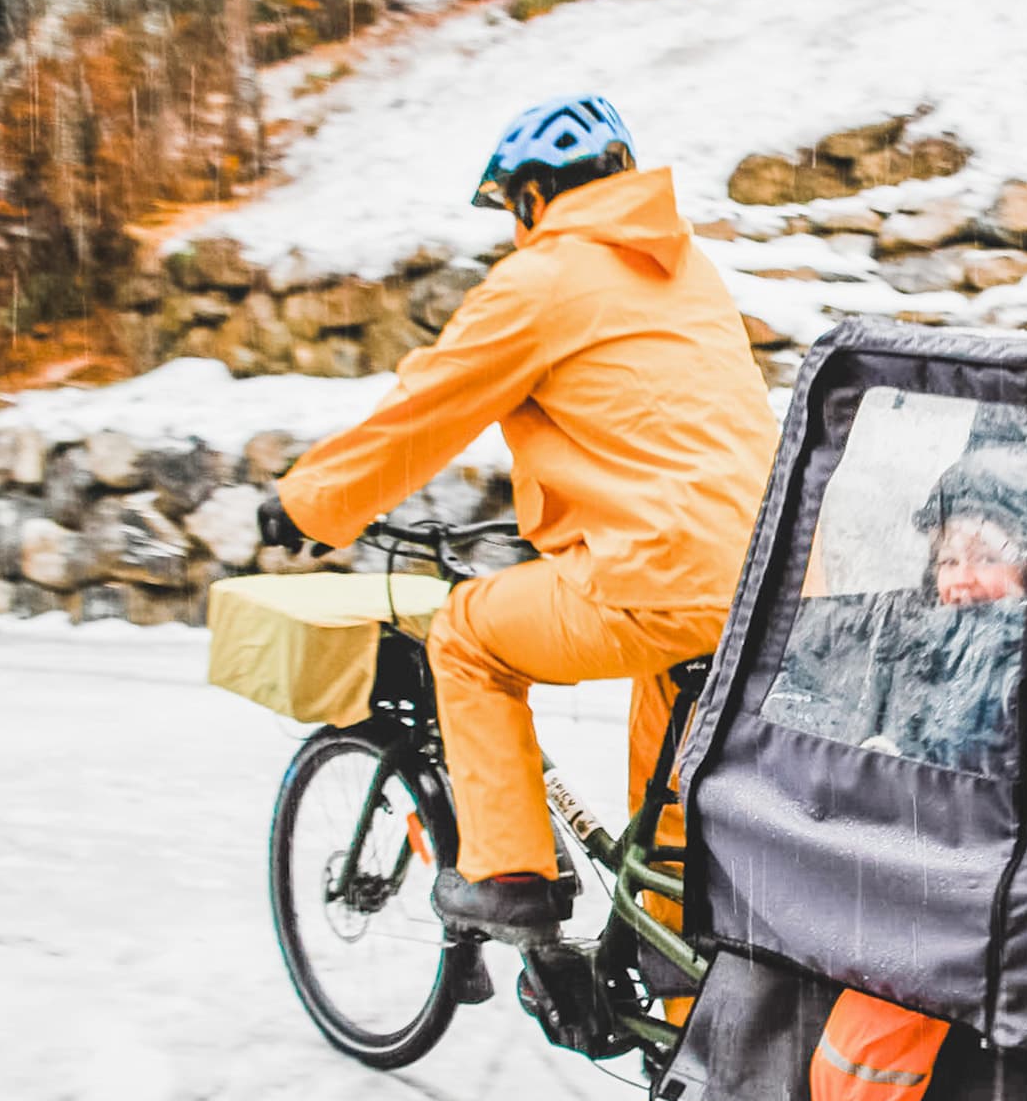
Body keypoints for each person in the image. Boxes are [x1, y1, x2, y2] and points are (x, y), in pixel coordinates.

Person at [257, 94, 777, 944]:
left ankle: (508, 875)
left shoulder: (541, 279)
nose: (512, 226)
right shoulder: (688, 272)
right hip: (770, 578)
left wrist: (307, 505)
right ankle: (684, 1001)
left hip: (664, 577)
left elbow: (421, 414)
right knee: (673, 816)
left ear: (534, 195)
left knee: (465, 635)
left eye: (511, 207)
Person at [754, 440, 1027, 1101]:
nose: (962, 578)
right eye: (946, 559)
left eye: (987, 555)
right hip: (972, 853)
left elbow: (954, 758)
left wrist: (876, 760)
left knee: (892, 955)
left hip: (959, 869)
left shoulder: (1006, 644)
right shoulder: (975, 635)